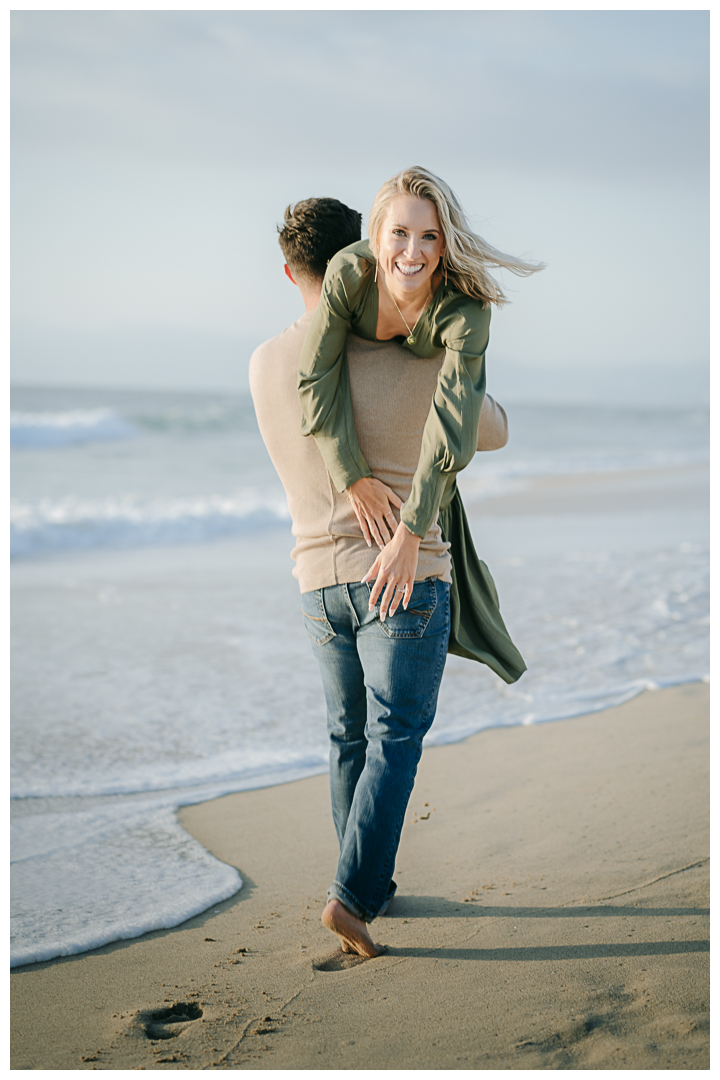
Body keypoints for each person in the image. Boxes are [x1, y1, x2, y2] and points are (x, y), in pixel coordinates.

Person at [250, 198, 513, 958]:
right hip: (401, 576)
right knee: (395, 736)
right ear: (362, 258)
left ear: (290, 270)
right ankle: (354, 895)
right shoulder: (410, 343)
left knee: (347, 737)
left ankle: (364, 883)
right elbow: (490, 429)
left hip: (315, 580)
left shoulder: (267, 361)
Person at [297, 167, 542, 672]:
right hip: (352, 489)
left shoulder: (465, 309)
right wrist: (354, 478)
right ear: (377, 235)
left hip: (446, 398)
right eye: (400, 234)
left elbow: (450, 429)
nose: (413, 253)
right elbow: (316, 379)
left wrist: (411, 532)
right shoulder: (350, 273)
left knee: (475, 423)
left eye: (429, 236)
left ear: (445, 243)